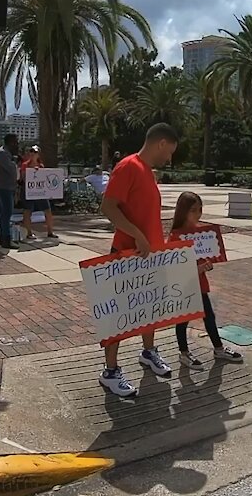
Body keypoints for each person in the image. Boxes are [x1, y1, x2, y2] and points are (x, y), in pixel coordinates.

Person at [97, 123, 180, 397]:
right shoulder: (128, 166)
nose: (169, 158)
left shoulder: (148, 173)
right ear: (161, 143)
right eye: (170, 152)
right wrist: (136, 236)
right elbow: (108, 206)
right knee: (118, 315)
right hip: (127, 254)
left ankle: (148, 352)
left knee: (150, 309)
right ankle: (110, 371)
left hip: (150, 256)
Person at [169, 192, 243, 369]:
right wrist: (197, 268)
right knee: (183, 320)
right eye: (193, 210)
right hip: (184, 286)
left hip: (199, 284)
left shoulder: (201, 233)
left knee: (209, 317)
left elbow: (204, 257)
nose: (198, 214)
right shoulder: (175, 236)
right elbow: (174, 268)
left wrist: (208, 264)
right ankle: (184, 353)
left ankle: (218, 348)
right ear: (183, 211)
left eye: (200, 210)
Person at [19, 146, 56, 240]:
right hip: (28, 191)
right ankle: (29, 233)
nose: (32, 154)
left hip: (40, 191)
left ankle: (50, 232)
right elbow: (23, 178)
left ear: (38, 154)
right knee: (27, 211)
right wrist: (32, 172)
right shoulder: (25, 165)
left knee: (47, 210)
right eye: (31, 151)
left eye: (35, 152)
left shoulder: (41, 166)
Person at [0, 135, 20, 251]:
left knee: (4, 214)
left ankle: (2, 238)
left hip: (6, 187)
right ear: (11, 142)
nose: (17, 144)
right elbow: (12, 169)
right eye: (16, 142)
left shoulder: (5, 153)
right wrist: (15, 162)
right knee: (6, 213)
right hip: (4, 187)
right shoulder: (2, 153)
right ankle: (6, 240)